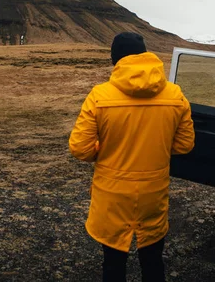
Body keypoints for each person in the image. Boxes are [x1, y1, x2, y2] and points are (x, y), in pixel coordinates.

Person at [69, 32, 195, 282]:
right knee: (152, 260)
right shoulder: (175, 94)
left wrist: (102, 150)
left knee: (113, 264)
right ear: (145, 55)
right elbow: (184, 145)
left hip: (112, 196)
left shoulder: (99, 95)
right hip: (153, 193)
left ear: (115, 61)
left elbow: (80, 148)